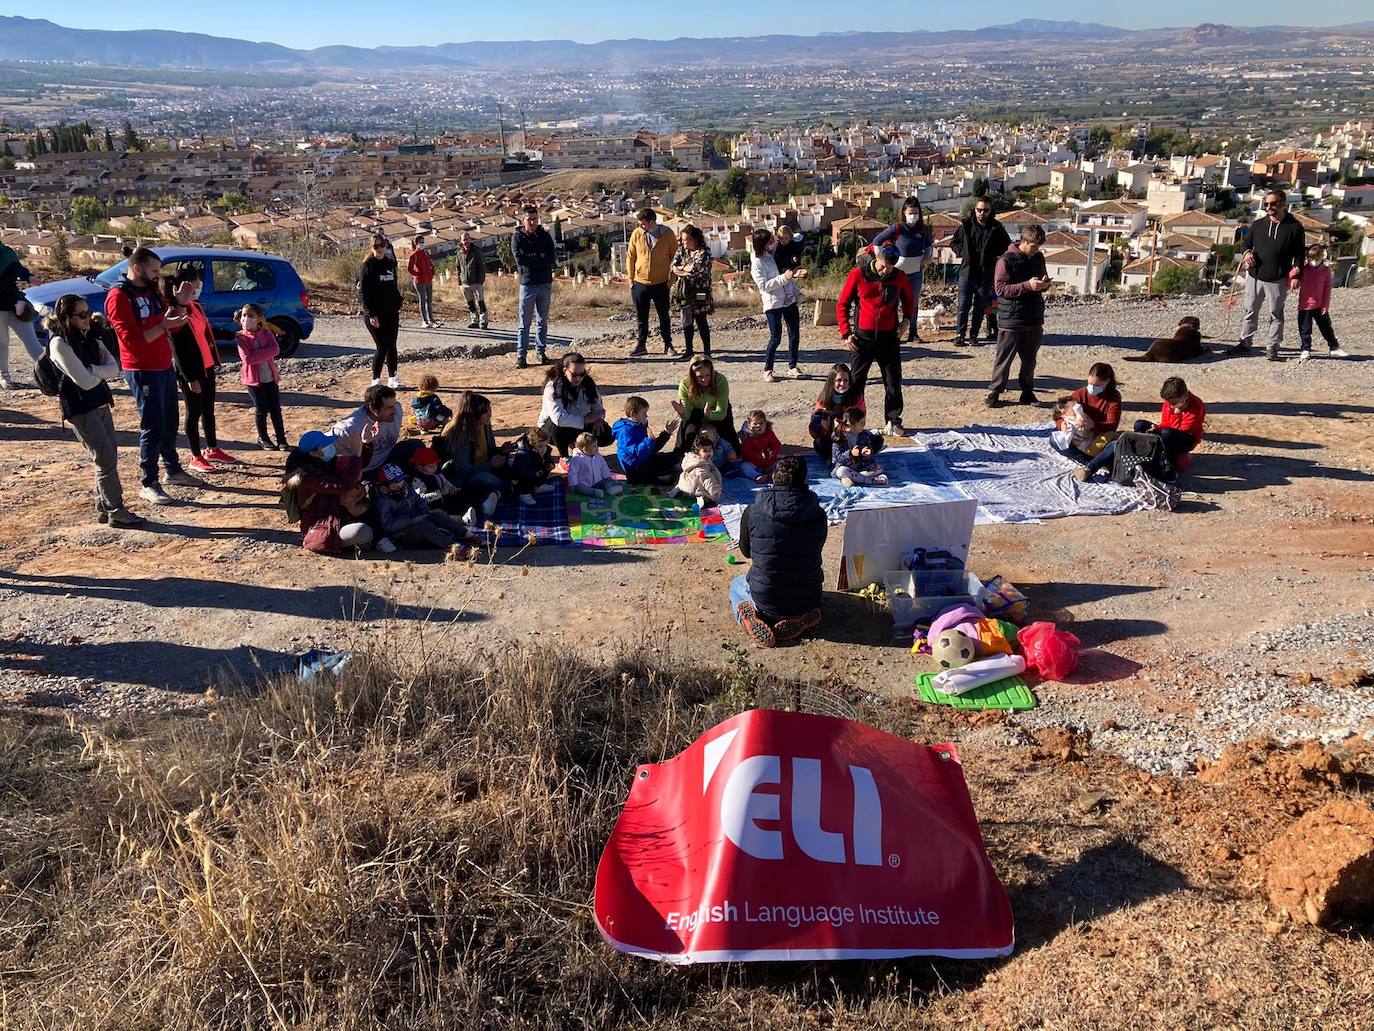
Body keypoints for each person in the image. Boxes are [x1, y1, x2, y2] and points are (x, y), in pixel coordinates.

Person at [105, 246, 195, 506]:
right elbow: (132, 341)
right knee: (152, 424)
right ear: (136, 268)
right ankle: (148, 482)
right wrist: (164, 325)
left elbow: (168, 321)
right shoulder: (119, 296)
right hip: (142, 369)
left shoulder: (152, 291)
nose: (158, 276)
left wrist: (179, 305)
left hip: (162, 365)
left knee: (169, 420)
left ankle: (173, 470)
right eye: (154, 270)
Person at [45, 294, 143, 526]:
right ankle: (116, 510)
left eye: (88, 313)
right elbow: (85, 382)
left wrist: (91, 369)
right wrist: (97, 371)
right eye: (82, 314)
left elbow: (114, 369)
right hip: (81, 409)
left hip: (100, 403)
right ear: (67, 317)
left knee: (108, 456)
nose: (88, 318)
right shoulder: (59, 344)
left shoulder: (88, 337)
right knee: (105, 458)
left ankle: (103, 507)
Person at [731, 455, 827, 648]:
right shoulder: (818, 514)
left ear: (774, 478)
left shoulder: (752, 511)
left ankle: (748, 616)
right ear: (804, 480)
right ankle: (800, 617)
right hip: (809, 596)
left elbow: (747, 552)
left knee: (736, 585)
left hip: (767, 598)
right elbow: (816, 548)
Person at [836, 244, 914, 437]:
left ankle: (893, 420)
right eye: (883, 266)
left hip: (889, 338)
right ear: (876, 258)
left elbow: (910, 300)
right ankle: (853, 422)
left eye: (889, 267)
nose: (885, 270)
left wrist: (907, 320)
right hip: (863, 338)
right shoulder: (858, 275)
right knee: (856, 382)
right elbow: (842, 304)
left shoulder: (899, 277)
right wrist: (846, 333)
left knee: (893, 382)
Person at [165, 269, 236, 472]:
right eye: (196, 285)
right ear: (185, 286)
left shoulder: (195, 307)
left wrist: (234, 334)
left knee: (208, 410)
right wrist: (189, 377)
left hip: (206, 366)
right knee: (193, 412)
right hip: (191, 372)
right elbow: (177, 349)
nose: (198, 289)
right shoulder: (175, 312)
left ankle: (212, 448)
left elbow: (207, 330)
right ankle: (196, 455)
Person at [1076, 376, 1206, 482]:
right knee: (1140, 425)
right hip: (1168, 431)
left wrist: (1176, 414)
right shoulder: (1170, 403)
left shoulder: (1196, 405)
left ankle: (1169, 464)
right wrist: (1156, 428)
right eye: (1169, 404)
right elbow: (1165, 422)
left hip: (1186, 438)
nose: (1171, 407)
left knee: (1166, 434)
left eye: (1173, 404)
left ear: (1184, 397)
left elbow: (1182, 429)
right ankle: (1135, 455)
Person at [1230, 188, 1306, 362]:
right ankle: (1245, 342)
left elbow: (1300, 254)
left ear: (1283, 204)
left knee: (1276, 313)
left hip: (1278, 278)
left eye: (1273, 204)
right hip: (1255, 276)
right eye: (1266, 204)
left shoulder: (1295, 228)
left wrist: (1296, 276)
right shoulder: (1258, 225)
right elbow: (1246, 244)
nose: (1269, 207)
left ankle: (1272, 346)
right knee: (1250, 310)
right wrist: (1247, 253)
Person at [986, 224, 1051, 408]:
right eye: (1033, 246)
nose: (1036, 250)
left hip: (1033, 316)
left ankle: (1027, 392)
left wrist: (1044, 284)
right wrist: (1027, 286)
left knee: (1029, 359)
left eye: (1038, 247)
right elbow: (1000, 289)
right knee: (1004, 358)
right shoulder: (1005, 261)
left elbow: (1042, 277)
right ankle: (995, 391)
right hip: (1011, 318)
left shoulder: (1038, 258)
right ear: (1023, 241)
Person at [284, 430, 373, 554]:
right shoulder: (307, 477)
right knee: (363, 532)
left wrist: (366, 445)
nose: (330, 447)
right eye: (325, 446)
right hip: (323, 529)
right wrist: (356, 459)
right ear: (314, 452)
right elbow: (344, 484)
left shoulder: (325, 463)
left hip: (337, 518)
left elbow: (354, 470)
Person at [435, 390, 508, 520]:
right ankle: (488, 498)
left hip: (483, 467)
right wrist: (490, 465)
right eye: (486, 412)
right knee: (493, 481)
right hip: (463, 477)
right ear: (474, 414)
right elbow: (462, 470)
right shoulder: (460, 435)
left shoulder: (484, 425)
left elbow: (489, 450)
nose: (490, 415)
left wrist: (502, 450)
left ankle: (493, 495)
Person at [374, 462, 474, 553]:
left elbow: (420, 500)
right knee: (425, 526)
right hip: (402, 534)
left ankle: (467, 534)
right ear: (384, 487)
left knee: (437, 516)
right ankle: (453, 547)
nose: (400, 488)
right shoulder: (384, 502)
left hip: (417, 518)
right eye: (395, 487)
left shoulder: (406, 488)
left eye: (401, 484)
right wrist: (410, 521)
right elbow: (388, 526)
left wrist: (423, 512)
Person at [950, 198, 1011, 346]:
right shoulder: (966, 226)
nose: (982, 213)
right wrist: (962, 252)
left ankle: (974, 335)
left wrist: (993, 256)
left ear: (991, 211)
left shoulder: (996, 228)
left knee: (979, 307)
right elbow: (954, 243)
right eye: (979, 210)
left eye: (985, 210)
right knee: (963, 306)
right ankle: (960, 335)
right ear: (975, 210)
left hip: (985, 274)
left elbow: (1006, 245)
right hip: (967, 272)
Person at [872, 196, 933, 342]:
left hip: (916, 273)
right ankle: (890, 332)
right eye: (911, 213)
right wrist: (882, 260)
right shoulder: (897, 228)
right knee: (892, 301)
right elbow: (877, 241)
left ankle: (913, 333)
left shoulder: (924, 230)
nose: (913, 216)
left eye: (916, 213)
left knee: (913, 302)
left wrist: (927, 258)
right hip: (897, 273)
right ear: (904, 213)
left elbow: (928, 247)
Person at [750, 227, 806, 382]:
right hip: (773, 303)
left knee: (794, 334)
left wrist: (795, 275)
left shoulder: (772, 253)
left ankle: (793, 366)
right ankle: (768, 369)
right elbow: (763, 285)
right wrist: (785, 277)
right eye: (770, 240)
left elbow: (786, 270)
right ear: (762, 243)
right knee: (776, 337)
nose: (773, 242)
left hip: (788, 299)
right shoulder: (757, 262)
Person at [234, 303, 288, 451]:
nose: (246, 319)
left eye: (251, 316)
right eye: (244, 315)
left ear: (259, 318)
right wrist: (266, 352)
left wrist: (259, 354)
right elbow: (248, 359)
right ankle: (263, 438)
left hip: (270, 377)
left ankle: (281, 439)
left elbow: (276, 349)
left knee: (275, 409)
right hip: (253, 381)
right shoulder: (241, 337)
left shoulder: (266, 332)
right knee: (261, 409)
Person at [538, 352, 611, 457]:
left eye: (582, 374)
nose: (578, 379)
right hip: (552, 428)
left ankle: (579, 446)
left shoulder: (588, 384)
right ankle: (564, 457)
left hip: (578, 423)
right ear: (565, 371)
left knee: (607, 434)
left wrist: (598, 419)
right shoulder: (553, 387)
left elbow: (598, 408)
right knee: (557, 428)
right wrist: (585, 420)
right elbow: (558, 418)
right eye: (574, 375)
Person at [627, 207, 677, 357]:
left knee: (664, 316)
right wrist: (631, 280)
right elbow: (631, 256)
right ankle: (641, 345)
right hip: (640, 283)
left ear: (652, 222)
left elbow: (676, 258)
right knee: (641, 317)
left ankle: (668, 344)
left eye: (643, 224)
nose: (641, 227)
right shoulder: (637, 234)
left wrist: (671, 281)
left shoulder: (667, 235)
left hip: (661, 283)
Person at [358, 234, 404, 388]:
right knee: (382, 345)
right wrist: (371, 313)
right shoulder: (367, 266)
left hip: (391, 311)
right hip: (374, 313)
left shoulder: (390, 263)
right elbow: (362, 292)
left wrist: (398, 301)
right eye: (376, 246)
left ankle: (393, 377)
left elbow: (393, 286)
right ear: (372, 248)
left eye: (382, 245)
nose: (380, 248)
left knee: (392, 344)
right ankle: (376, 378)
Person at [512, 205, 556, 368]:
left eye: (535, 219)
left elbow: (550, 257)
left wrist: (533, 257)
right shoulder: (517, 237)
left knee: (542, 321)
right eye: (529, 219)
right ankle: (521, 355)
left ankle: (540, 351)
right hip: (528, 284)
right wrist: (539, 256)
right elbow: (520, 259)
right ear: (523, 220)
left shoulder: (545, 236)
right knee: (524, 323)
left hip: (545, 283)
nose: (532, 222)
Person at [672, 355, 742, 454]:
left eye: (707, 375)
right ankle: (683, 458)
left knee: (727, 433)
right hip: (696, 413)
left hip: (716, 411)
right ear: (693, 375)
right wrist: (682, 412)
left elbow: (721, 413)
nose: (704, 380)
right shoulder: (685, 384)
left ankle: (734, 456)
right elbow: (687, 416)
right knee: (689, 434)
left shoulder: (720, 380)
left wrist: (709, 415)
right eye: (700, 376)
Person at [331, 383, 404, 474]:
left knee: (414, 446)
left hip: (387, 459)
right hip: (364, 471)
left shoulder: (396, 410)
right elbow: (325, 453)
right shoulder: (348, 429)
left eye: (394, 405)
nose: (394, 411)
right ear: (373, 409)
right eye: (389, 408)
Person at [1296, 245, 1349, 361]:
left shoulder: (1326, 271)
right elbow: (1292, 280)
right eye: (1311, 259)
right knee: (1305, 329)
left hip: (1320, 306)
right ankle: (1306, 349)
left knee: (1326, 328)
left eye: (1316, 258)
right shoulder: (1303, 269)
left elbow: (1327, 289)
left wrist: (1325, 305)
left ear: (1321, 257)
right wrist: (1294, 271)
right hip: (1305, 306)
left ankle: (1334, 347)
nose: (1314, 261)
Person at [612, 395, 680, 486]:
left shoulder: (640, 424)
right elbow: (637, 452)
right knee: (663, 479)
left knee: (673, 458)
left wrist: (666, 433)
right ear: (633, 414)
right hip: (635, 469)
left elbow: (651, 449)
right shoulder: (626, 431)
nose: (646, 415)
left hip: (644, 460)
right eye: (644, 413)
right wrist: (649, 441)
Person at [0, 241, 42, 388]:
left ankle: (50, 373)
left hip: (17, 306)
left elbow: (18, 269)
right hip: (6, 306)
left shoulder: (7, 252)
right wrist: (16, 301)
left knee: (31, 340)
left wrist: (29, 277)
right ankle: (4, 376)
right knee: (2, 344)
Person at [670, 224, 715, 359]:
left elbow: (696, 268)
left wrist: (681, 269)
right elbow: (673, 267)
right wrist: (685, 269)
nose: (684, 243)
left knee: (701, 319)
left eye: (687, 240)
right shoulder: (681, 251)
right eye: (682, 240)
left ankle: (707, 351)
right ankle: (689, 349)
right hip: (685, 292)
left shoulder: (704, 252)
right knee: (686, 320)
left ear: (694, 239)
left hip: (701, 291)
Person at [809, 363, 865, 463]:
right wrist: (824, 427)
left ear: (850, 381)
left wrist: (840, 426)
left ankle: (854, 456)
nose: (842, 384)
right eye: (839, 380)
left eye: (845, 380)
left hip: (852, 437)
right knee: (819, 443)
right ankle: (835, 458)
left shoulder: (857, 397)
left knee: (876, 441)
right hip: (833, 439)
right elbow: (814, 430)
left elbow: (859, 422)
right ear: (832, 381)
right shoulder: (824, 398)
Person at [831, 407, 888, 486]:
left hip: (861, 466)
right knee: (841, 471)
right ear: (851, 424)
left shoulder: (864, 434)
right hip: (845, 467)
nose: (864, 425)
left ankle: (853, 478)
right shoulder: (839, 437)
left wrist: (866, 453)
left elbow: (868, 452)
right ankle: (868, 480)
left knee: (879, 467)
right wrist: (850, 454)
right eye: (861, 423)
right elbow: (836, 459)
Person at [505, 427, 556, 505]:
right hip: (520, 479)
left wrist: (551, 464)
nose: (543, 449)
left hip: (536, 473)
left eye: (545, 445)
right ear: (532, 444)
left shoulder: (545, 450)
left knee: (545, 468)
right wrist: (534, 473)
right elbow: (520, 470)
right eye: (540, 446)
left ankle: (538, 486)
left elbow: (548, 459)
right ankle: (524, 493)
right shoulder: (524, 454)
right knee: (526, 477)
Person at [567, 431, 623, 499]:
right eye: (594, 446)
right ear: (585, 449)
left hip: (597, 482)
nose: (597, 447)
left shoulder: (598, 456)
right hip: (584, 484)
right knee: (579, 488)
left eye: (596, 445)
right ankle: (594, 492)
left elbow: (604, 467)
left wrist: (607, 476)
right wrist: (572, 485)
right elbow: (572, 473)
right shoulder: (577, 459)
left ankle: (610, 488)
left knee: (606, 482)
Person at [677, 431, 723, 510]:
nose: (709, 452)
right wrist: (715, 491)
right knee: (707, 494)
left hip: (685, 484)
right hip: (694, 488)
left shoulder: (692, 459)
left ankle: (677, 491)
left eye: (710, 449)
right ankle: (701, 499)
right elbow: (706, 478)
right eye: (705, 450)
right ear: (697, 452)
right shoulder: (701, 466)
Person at [739, 409, 781, 483]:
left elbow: (776, 444)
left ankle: (775, 475)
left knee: (781, 463)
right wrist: (758, 456)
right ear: (749, 426)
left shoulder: (769, 433)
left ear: (765, 423)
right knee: (744, 466)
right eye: (755, 424)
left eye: (761, 423)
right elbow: (746, 451)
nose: (758, 426)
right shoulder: (747, 437)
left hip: (769, 461)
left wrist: (772, 452)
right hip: (754, 462)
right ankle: (757, 476)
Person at [457, 231, 489, 330]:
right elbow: (458, 268)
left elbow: (481, 266)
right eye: (464, 240)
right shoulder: (459, 254)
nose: (466, 241)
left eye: (467, 239)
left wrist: (480, 281)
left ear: (470, 240)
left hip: (476, 282)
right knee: (470, 304)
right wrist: (459, 282)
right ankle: (475, 320)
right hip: (464, 283)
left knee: (481, 302)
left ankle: (483, 321)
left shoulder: (476, 251)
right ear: (461, 241)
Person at [408, 234, 439, 329]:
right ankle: (424, 321)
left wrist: (432, 271)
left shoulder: (425, 252)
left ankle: (431, 320)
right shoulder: (414, 255)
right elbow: (410, 268)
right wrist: (417, 275)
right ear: (416, 243)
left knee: (429, 300)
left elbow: (430, 263)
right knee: (422, 300)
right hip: (420, 281)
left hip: (428, 279)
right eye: (420, 242)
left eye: (423, 242)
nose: (422, 244)